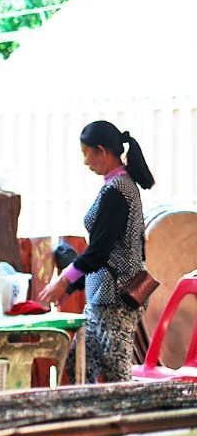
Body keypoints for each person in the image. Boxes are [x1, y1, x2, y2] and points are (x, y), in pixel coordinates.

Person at [39, 120, 155, 383]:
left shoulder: (119, 191)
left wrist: (64, 279)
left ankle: (127, 425)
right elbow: (105, 252)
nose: (84, 161)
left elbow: (100, 251)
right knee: (78, 366)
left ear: (102, 151)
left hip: (116, 300)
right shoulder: (116, 187)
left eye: (86, 153)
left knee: (117, 375)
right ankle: (93, 422)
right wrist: (69, 286)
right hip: (102, 299)